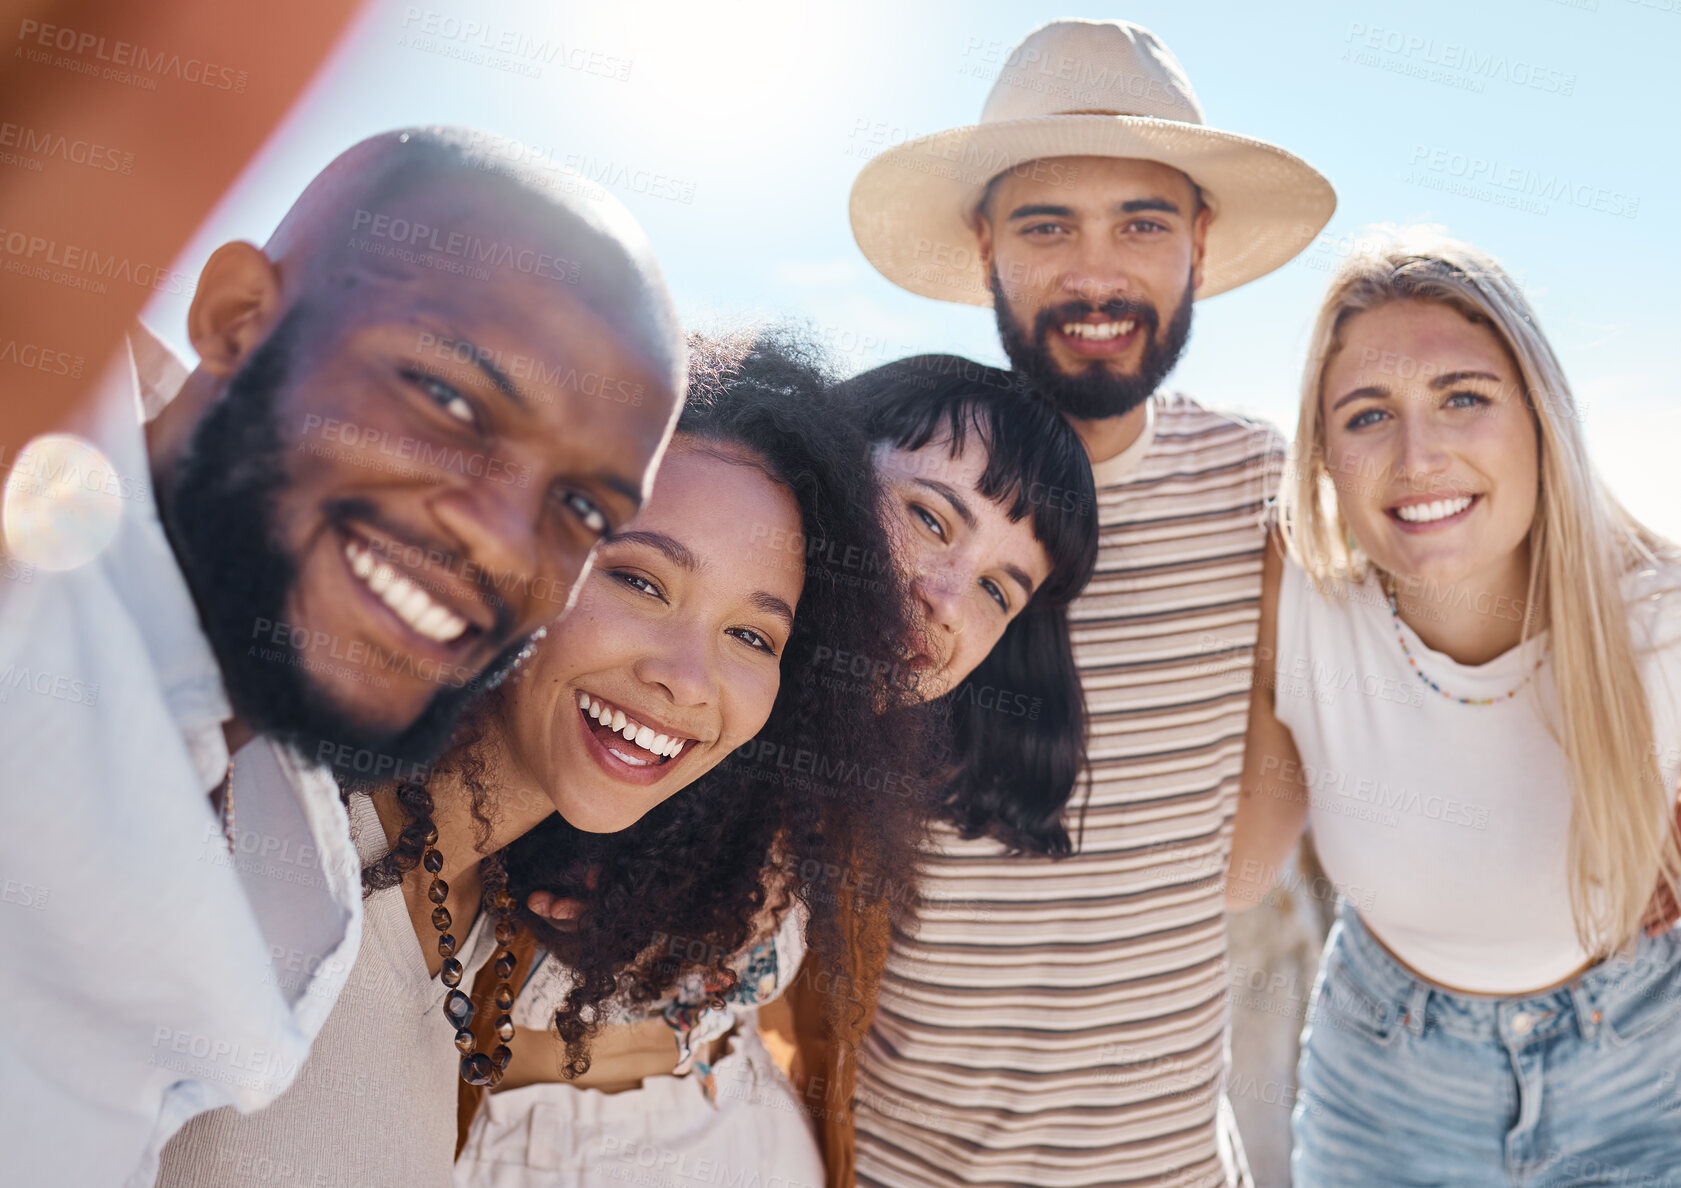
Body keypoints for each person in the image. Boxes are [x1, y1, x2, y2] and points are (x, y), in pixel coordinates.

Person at [0, 126, 685, 1187]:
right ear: (237, 321)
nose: (506, 539)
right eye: (448, 399)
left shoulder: (298, 850)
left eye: (583, 508)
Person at [155, 330, 934, 1188]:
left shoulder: (491, 934)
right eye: (639, 581)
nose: (685, 681)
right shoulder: (248, 816)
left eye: (750, 635)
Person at [837, 18, 1336, 1187]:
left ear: (1200, 244)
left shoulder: (1258, 485)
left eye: (1143, 223)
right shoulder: (889, 482)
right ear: (985, 246)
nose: (1096, 274)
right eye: (1046, 224)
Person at [460, 352, 1101, 1188]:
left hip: (751, 1134)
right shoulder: (609, 695)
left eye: (996, 592)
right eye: (929, 520)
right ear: (824, 475)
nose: (947, 598)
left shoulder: (851, 778)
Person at [1225, 229, 1681, 1186]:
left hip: (1644, 1065)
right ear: (1323, 458)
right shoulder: (1298, 601)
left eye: (1461, 399)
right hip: (1385, 1074)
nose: (1417, 456)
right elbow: (1236, 868)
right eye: (1365, 416)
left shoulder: (1657, 624)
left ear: (1538, 417)